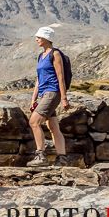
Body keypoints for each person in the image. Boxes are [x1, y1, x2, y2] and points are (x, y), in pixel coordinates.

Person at [28, 26, 70, 166]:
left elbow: (60, 77)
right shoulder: (41, 56)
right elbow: (39, 79)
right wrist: (34, 99)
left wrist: (64, 98)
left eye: (39, 37)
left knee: (34, 122)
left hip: (53, 92)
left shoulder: (55, 54)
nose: (36, 39)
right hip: (44, 93)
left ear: (46, 38)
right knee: (53, 126)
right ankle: (62, 159)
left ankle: (41, 156)